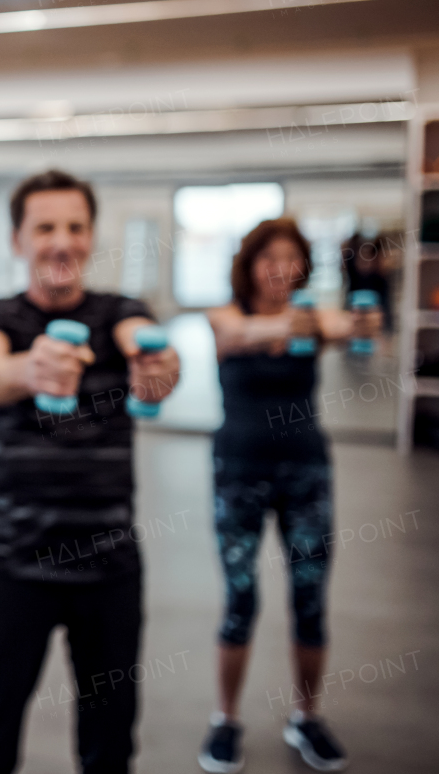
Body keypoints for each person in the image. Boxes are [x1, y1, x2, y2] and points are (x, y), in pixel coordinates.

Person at [0, 169, 180, 774]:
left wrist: (157, 359)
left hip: (109, 564)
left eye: (75, 227)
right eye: (45, 226)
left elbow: (148, 342)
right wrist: (34, 369)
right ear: (17, 240)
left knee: (110, 743)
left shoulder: (120, 313)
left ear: (91, 236)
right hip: (14, 563)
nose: (62, 241)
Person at [198, 219, 379, 774]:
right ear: (249, 264)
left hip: (306, 475)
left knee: (309, 600)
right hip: (238, 475)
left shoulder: (313, 319)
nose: (281, 268)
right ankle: (225, 720)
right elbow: (231, 336)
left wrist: (363, 323)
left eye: (292, 257)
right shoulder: (224, 316)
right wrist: (281, 326)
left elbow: (348, 327)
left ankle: (306, 716)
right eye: (269, 257)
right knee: (241, 599)